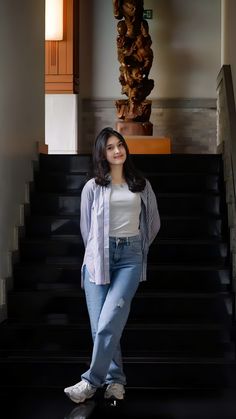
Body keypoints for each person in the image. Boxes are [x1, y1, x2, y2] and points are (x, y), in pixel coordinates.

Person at [64, 127, 160, 404]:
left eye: (120, 145)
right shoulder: (92, 187)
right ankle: (115, 381)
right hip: (98, 259)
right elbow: (86, 228)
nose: (117, 151)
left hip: (129, 258)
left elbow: (153, 222)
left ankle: (90, 382)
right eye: (110, 147)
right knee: (102, 327)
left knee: (109, 321)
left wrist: (137, 247)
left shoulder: (141, 184)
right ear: (102, 154)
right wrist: (97, 252)